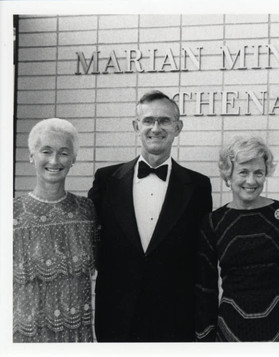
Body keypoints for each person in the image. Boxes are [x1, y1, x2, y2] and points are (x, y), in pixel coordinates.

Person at [88, 90, 212, 342]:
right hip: (116, 317)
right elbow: (92, 241)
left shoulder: (199, 186)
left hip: (176, 319)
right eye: (148, 120)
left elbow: (203, 259)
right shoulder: (106, 180)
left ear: (178, 127)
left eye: (165, 121)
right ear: (136, 126)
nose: (156, 128)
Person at [195, 136, 279, 341]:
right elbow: (205, 287)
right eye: (243, 172)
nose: (251, 181)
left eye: (258, 173)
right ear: (228, 174)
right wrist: (205, 337)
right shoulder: (213, 222)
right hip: (232, 326)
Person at [13, 118, 96, 342]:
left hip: (76, 336)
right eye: (46, 151)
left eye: (64, 153)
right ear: (32, 156)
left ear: (74, 159)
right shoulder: (11, 213)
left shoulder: (87, 210)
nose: (54, 160)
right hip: (25, 338)